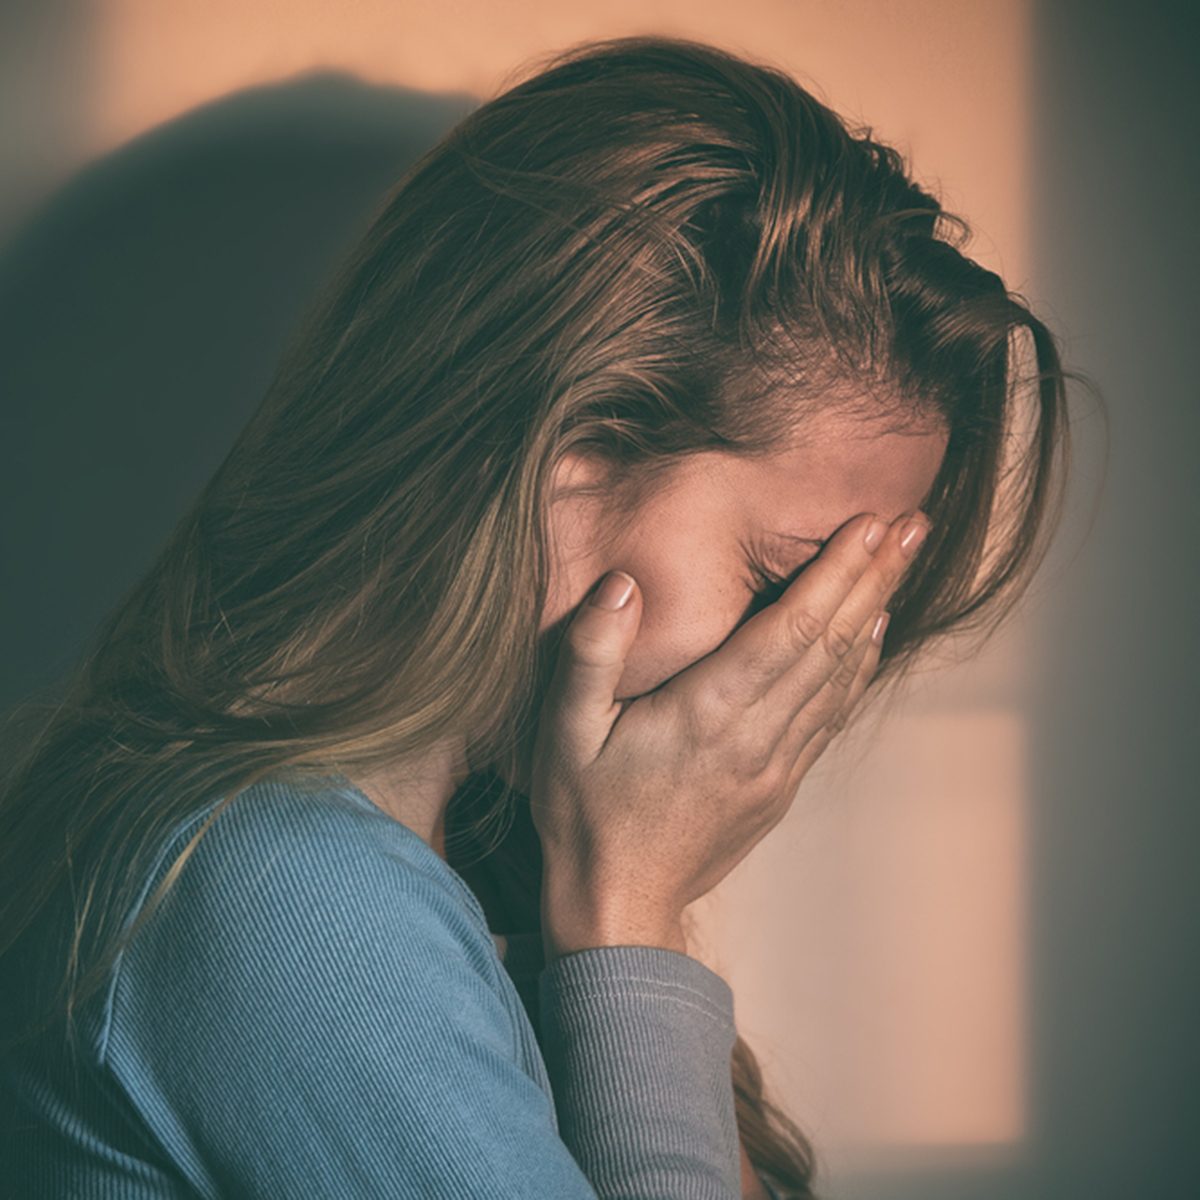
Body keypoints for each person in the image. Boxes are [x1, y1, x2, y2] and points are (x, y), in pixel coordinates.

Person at [0, 34, 1071, 1200]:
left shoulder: (444, 864)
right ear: (565, 463)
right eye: (786, 581)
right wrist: (631, 913)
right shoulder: (278, 892)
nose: (818, 668)